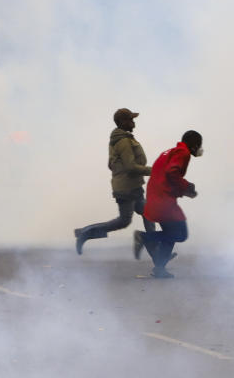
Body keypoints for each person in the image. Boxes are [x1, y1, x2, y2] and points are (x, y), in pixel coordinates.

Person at [74, 108, 155, 255]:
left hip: (133, 186)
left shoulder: (121, 138)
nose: (134, 123)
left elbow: (112, 164)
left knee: (148, 213)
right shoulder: (123, 141)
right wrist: (153, 171)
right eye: (131, 120)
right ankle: (85, 233)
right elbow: (130, 166)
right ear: (123, 122)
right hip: (127, 189)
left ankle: (158, 256)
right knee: (123, 221)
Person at [135, 130, 203, 278]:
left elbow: (165, 176)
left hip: (156, 197)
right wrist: (186, 186)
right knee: (180, 233)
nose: (200, 148)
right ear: (193, 145)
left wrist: (185, 191)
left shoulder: (171, 151)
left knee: (171, 234)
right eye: (199, 145)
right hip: (163, 200)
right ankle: (144, 237)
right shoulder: (183, 153)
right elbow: (172, 173)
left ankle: (159, 269)